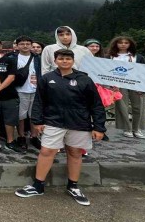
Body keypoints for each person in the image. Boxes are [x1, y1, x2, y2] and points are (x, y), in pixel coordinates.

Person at [15, 49, 106, 206]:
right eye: (61, 58)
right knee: (46, 151)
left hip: (79, 123)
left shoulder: (84, 79)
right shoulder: (47, 78)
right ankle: (38, 185)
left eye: (68, 58)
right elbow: (39, 101)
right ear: (55, 61)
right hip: (53, 121)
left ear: (73, 61)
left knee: (75, 153)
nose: (65, 61)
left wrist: (99, 127)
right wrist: (37, 121)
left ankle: (73, 186)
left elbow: (96, 105)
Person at [107, 36, 145, 139]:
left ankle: (137, 129)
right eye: (120, 42)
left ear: (130, 44)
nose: (123, 44)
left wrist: (143, 86)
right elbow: (106, 72)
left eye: (126, 43)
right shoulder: (110, 57)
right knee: (122, 107)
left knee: (138, 107)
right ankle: (127, 128)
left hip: (136, 84)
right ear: (116, 44)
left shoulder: (138, 57)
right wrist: (111, 85)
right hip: (118, 85)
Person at [13, 36, 41, 150]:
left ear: (31, 45)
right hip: (20, 90)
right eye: (22, 44)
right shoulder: (13, 58)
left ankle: (34, 136)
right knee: (21, 116)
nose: (25, 46)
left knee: (34, 115)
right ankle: (21, 136)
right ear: (17, 45)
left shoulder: (38, 58)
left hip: (35, 90)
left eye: (27, 43)